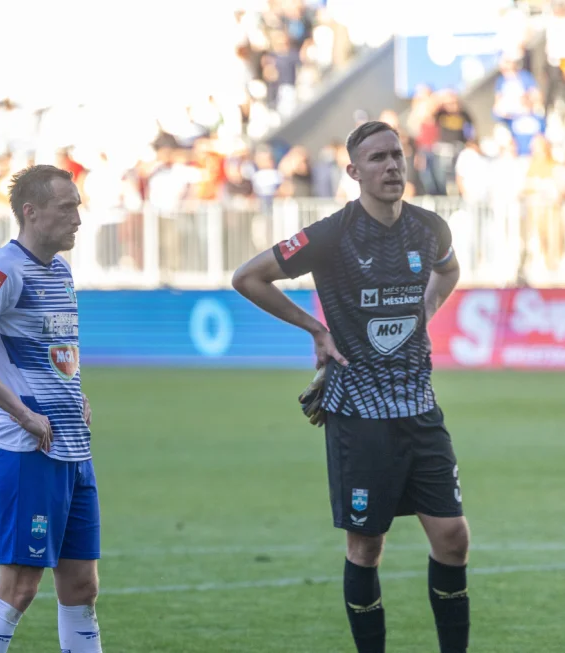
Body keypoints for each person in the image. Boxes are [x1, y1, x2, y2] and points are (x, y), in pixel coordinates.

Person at [231, 120, 467, 653]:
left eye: (397, 155)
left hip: (419, 407)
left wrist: (426, 307)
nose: (391, 166)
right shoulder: (330, 235)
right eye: (378, 158)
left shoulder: (430, 228)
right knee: (366, 548)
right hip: (359, 416)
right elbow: (248, 277)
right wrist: (315, 329)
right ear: (354, 172)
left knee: (453, 539)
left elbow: (448, 272)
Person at [0, 164, 101, 653]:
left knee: (82, 587)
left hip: (73, 448)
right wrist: (21, 412)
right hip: (28, 450)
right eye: (67, 208)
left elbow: (55, 352)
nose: (78, 218)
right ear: (31, 213)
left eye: (78, 206)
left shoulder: (61, 271)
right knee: (19, 589)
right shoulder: (2, 269)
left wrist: (76, 396)